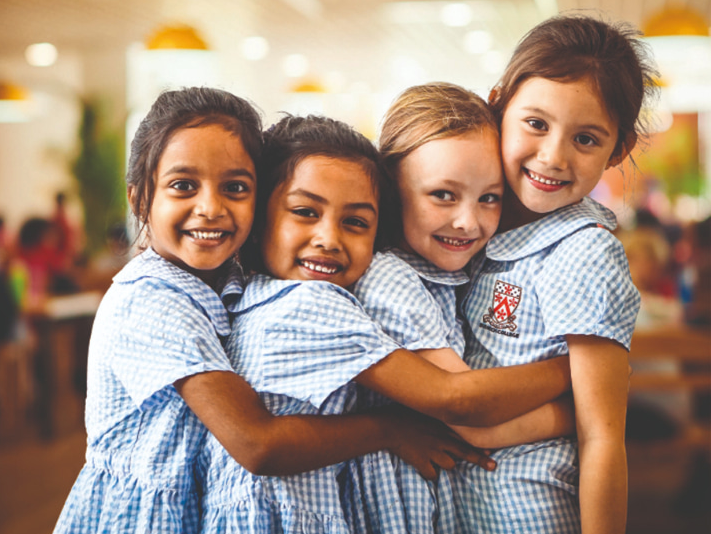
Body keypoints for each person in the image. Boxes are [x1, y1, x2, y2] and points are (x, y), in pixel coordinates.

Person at [52, 87, 485, 534]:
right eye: (183, 186)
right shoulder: (149, 300)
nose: (211, 208)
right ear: (141, 198)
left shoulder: (230, 283)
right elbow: (256, 443)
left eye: (235, 188)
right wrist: (390, 429)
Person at [200, 113, 573, 533]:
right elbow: (456, 400)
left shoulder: (266, 296)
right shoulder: (307, 303)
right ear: (258, 219)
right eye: (305, 211)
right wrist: (579, 372)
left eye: (356, 222)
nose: (328, 238)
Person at [349, 82, 578, 533]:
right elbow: (470, 417)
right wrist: (585, 390)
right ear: (392, 192)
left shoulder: (460, 273)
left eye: (488, 198)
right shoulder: (389, 278)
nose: (468, 221)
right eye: (443, 195)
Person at [459, 14, 657, 534]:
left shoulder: (582, 252)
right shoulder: (471, 227)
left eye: (586, 139)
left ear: (619, 149)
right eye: (536, 123)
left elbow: (602, 438)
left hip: (531, 513)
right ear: (498, 102)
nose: (552, 156)